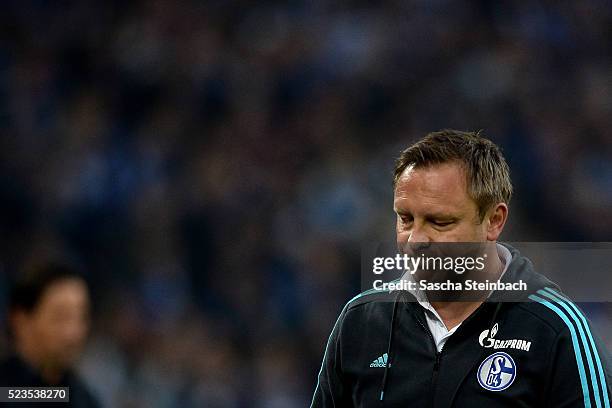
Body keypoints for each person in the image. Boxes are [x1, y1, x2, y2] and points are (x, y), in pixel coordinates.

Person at [311, 130, 611, 407]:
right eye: (405, 218)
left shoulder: (553, 328)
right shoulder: (360, 321)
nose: (416, 240)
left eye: (439, 222)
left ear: (494, 220)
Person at [0, 261, 100, 407]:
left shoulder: (82, 397)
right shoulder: (7, 391)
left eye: (82, 317)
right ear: (21, 320)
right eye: (60, 317)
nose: (73, 333)